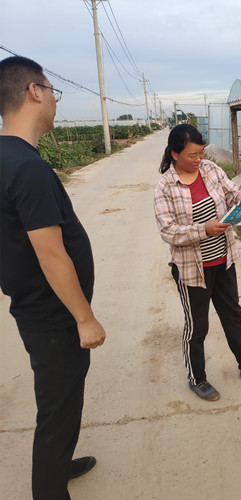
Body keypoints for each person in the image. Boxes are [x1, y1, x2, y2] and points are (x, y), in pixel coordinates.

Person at [0, 56, 106, 499]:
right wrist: (84, 317)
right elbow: (51, 253)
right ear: (34, 92)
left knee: (61, 401)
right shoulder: (27, 167)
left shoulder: (7, 156)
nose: (55, 101)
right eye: (52, 91)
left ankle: (60, 463)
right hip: (53, 313)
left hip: (34, 306)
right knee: (58, 409)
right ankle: (49, 485)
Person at [154, 124, 241, 401]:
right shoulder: (165, 186)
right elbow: (168, 231)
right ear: (175, 154)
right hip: (192, 270)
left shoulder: (210, 169)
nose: (199, 159)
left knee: (233, 315)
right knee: (197, 327)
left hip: (223, 260)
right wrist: (203, 230)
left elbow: (232, 194)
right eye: (192, 155)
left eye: (201, 153)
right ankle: (197, 378)